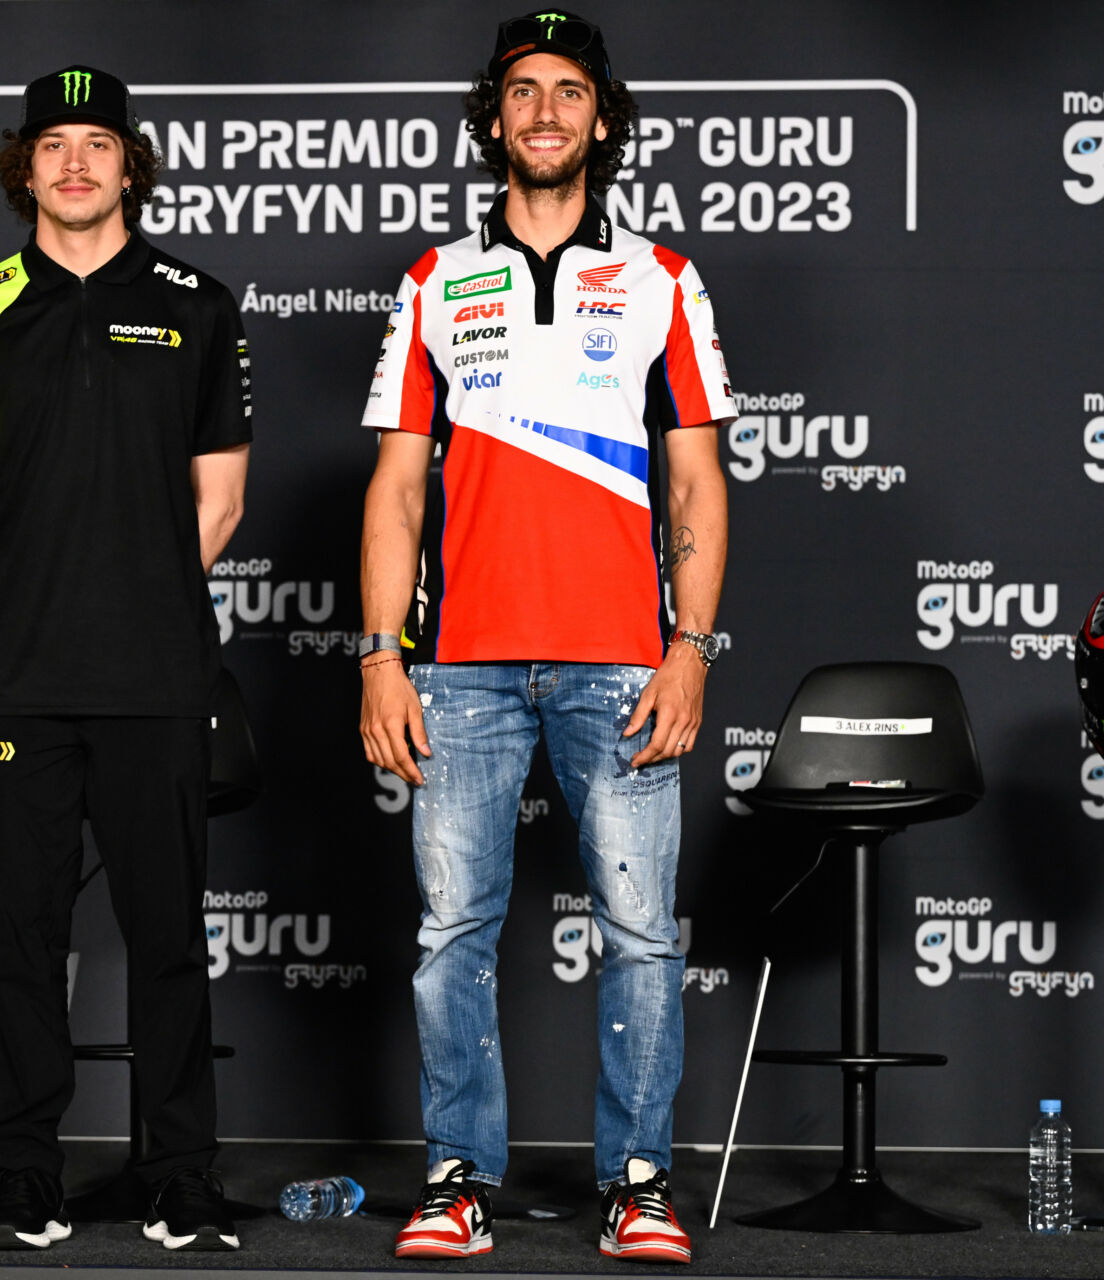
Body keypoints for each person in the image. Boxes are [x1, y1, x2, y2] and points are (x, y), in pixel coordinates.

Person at [357, 10, 732, 1266]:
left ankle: (639, 1180)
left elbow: (696, 485)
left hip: (625, 660)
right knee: (450, 933)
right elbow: (399, 486)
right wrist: (377, 653)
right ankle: (458, 1174)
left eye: (569, 91)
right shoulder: (431, 280)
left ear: (603, 119)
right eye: (522, 91)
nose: (545, 111)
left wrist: (691, 648)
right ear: (494, 119)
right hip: (461, 666)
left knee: (637, 934)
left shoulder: (665, 278)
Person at [0, 64, 253, 1253]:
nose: (76, 162)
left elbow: (218, 502)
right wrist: (35, 598)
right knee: (21, 937)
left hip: (160, 674)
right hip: (16, 676)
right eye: (54, 143)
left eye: (98, 143)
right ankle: (26, 1178)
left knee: (169, 937)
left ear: (129, 163)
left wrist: (135, 598)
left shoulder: (197, 300)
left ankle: (182, 1176)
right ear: (26, 165)